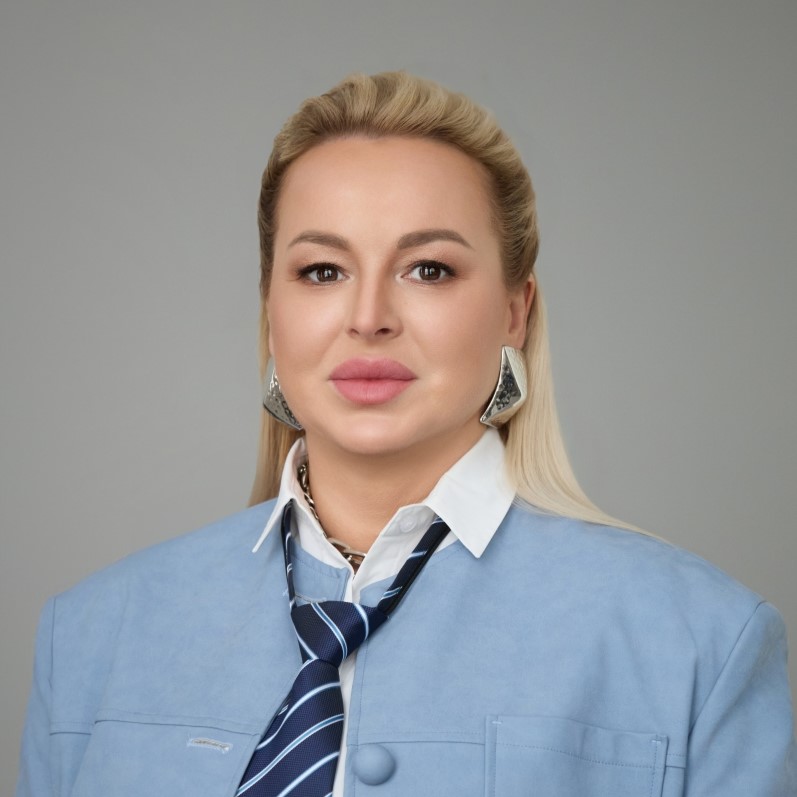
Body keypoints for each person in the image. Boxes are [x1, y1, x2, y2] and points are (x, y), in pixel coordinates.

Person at [16, 71, 796, 796]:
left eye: (428, 269)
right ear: (271, 310)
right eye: (322, 271)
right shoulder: (91, 635)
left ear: (514, 312)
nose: (368, 317)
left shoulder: (699, 641)